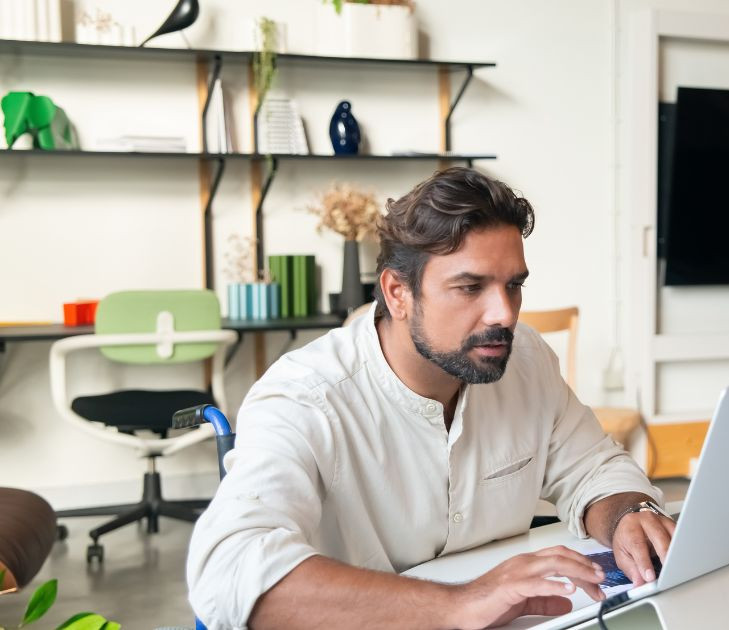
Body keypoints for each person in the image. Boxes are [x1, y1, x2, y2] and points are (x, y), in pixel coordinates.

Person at [187, 168, 675, 629]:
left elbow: (593, 469)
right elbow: (229, 569)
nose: (503, 313)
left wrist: (629, 514)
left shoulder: (525, 359)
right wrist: (460, 605)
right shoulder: (304, 396)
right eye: (469, 287)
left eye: (514, 285)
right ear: (397, 293)